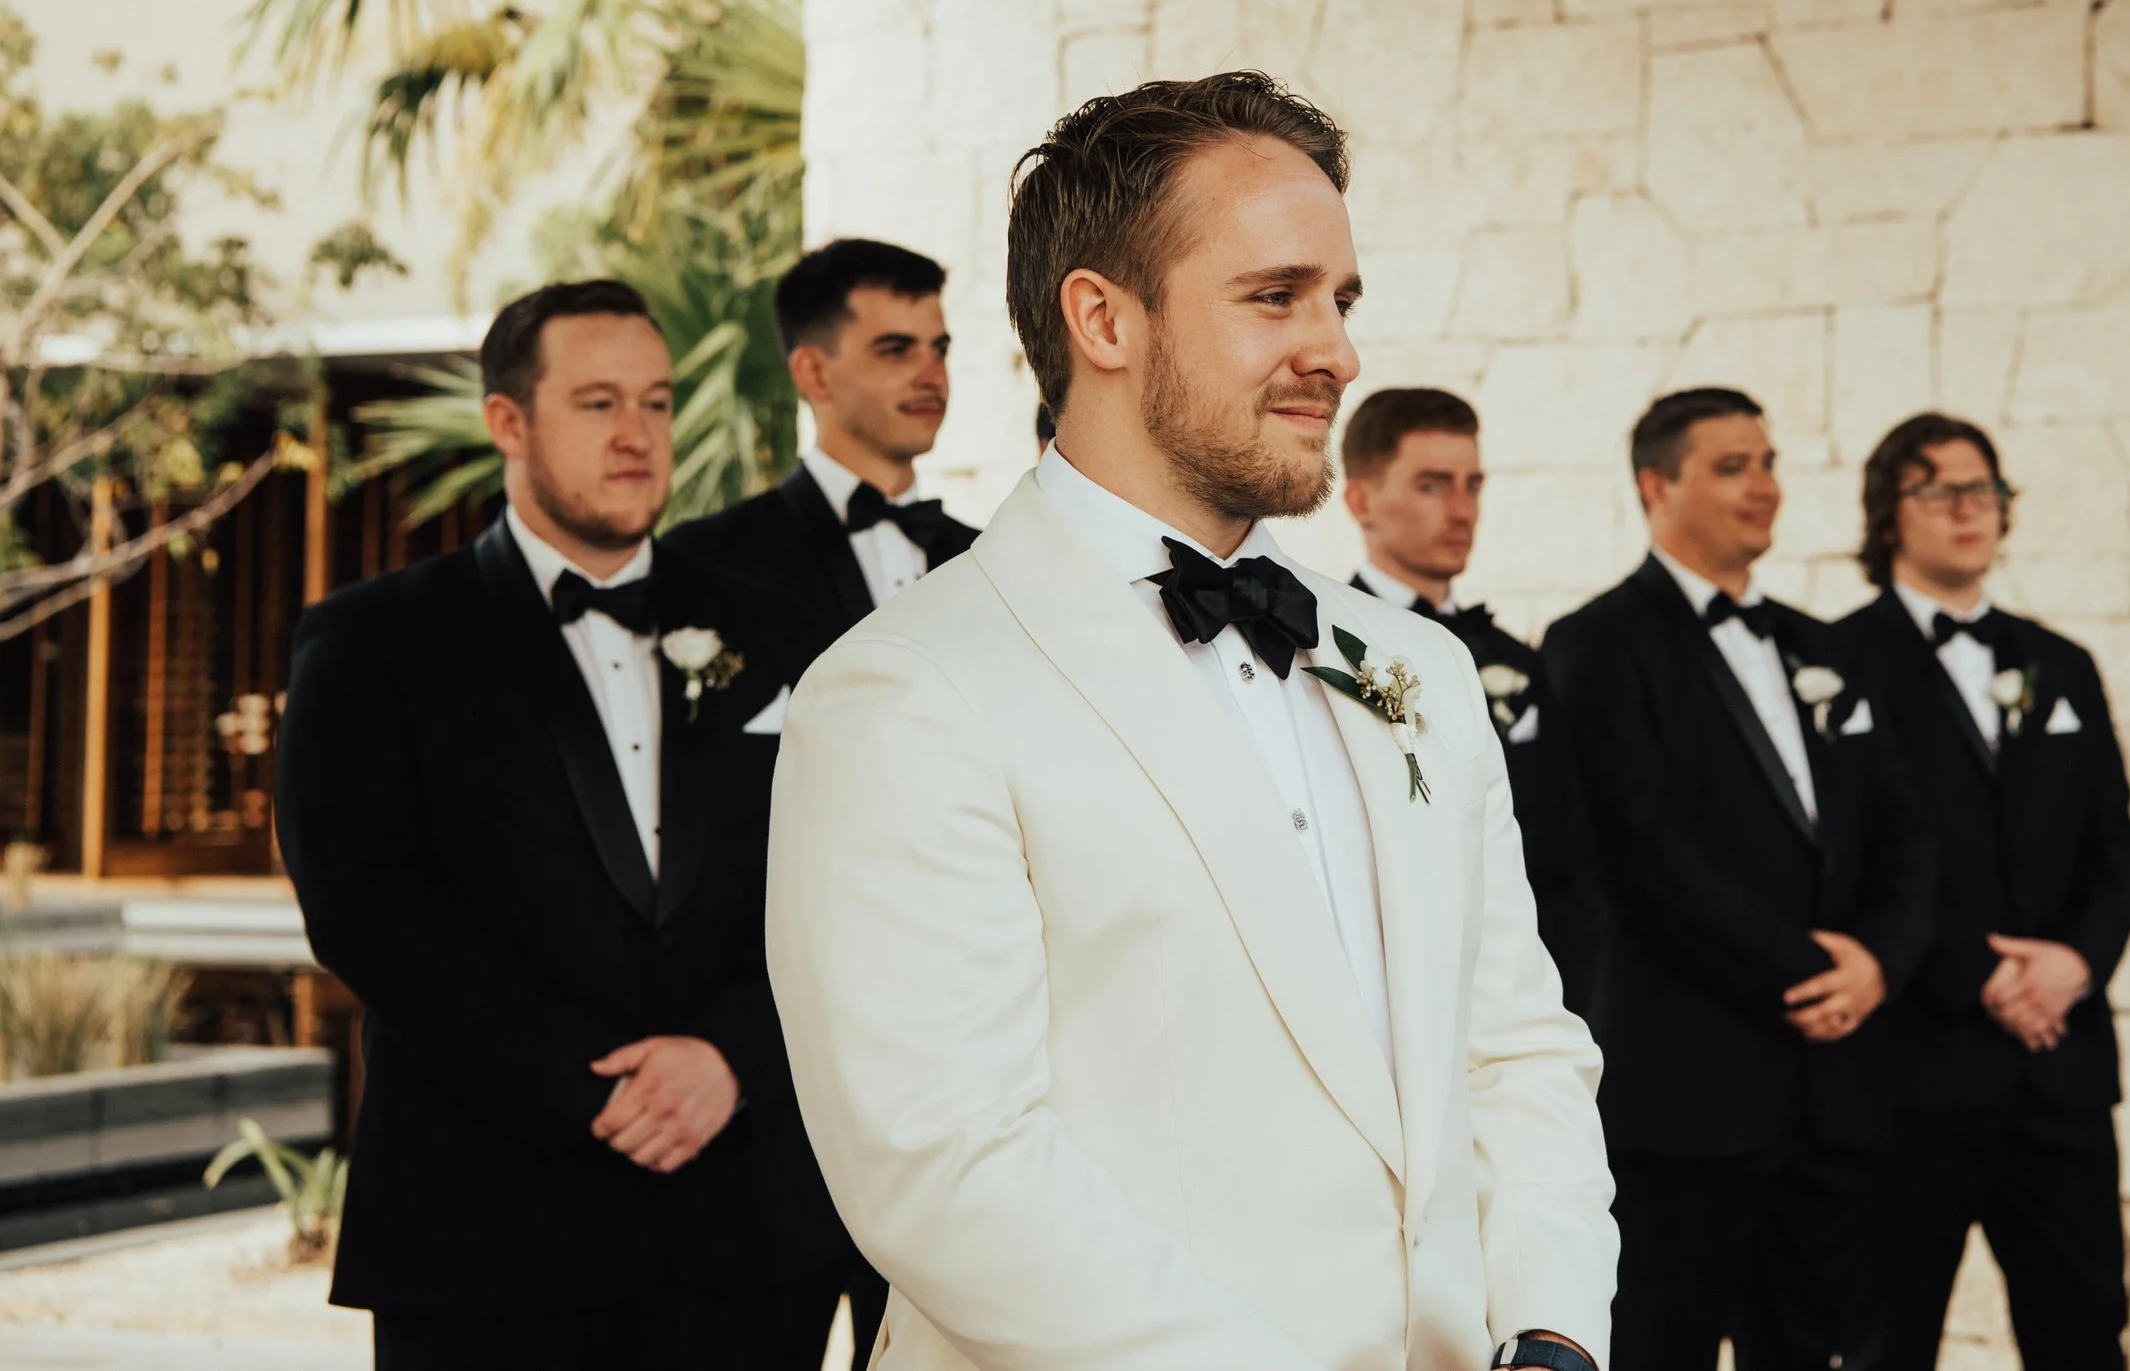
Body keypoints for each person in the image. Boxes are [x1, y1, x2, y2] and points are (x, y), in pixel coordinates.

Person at [765, 72, 1617, 1371]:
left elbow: (1511, 1045)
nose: (1336, 349)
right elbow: (951, 1169)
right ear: (1103, 319)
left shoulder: (1418, 669)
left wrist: (1552, 1326)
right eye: (1276, 296)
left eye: (1341, 300)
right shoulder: (904, 695)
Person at [275, 282, 846, 1369]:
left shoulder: (781, 633)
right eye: (596, 403)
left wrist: (732, 1055)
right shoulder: (372, 641)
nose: (637, 435)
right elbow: (364, 908)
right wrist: (590, 1089)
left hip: (744, 1232)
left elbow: (843, 885)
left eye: (657, 402)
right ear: (508, 422)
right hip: (486, 1226)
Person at [1544, 386, 1934, 1371]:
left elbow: (1903, 831)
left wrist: (1878, 965)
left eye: (1766, 462)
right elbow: (1643, 854)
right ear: (1654, 485)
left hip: (1831, 1098)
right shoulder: (1593, 646)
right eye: (1731, 466)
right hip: (1686, 1095)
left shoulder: (1824, 645)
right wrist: (1810, 970)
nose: (1763, 486)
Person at [1833, 413, 2130, 1371]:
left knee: (2086, 1332)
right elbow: (1853, 862)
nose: (1971, 508)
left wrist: (2071, 966)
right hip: (1915, 1068)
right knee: (1889, 1336)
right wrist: (1982, 976)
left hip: (2060, 1070)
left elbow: (2116, 848)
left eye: (1987, 489)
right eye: (1941, 488)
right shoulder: (1835, 662)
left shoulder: (2063, 664)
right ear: (1891, 511)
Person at [1340, 385, 1602, 1016]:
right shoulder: (1323, 651)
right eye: (1432, 485)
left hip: (1525, 993)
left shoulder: (1519, 660)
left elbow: (1566, 848)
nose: (1461, 511)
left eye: (1473, 485)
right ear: (1361, 500)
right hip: (1386, 994)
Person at [664, 238, 976, 662]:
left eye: (939, 350)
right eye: (896, 351)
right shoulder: (709, 560)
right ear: (813, 373)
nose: (932, 376)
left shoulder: (985, 559)